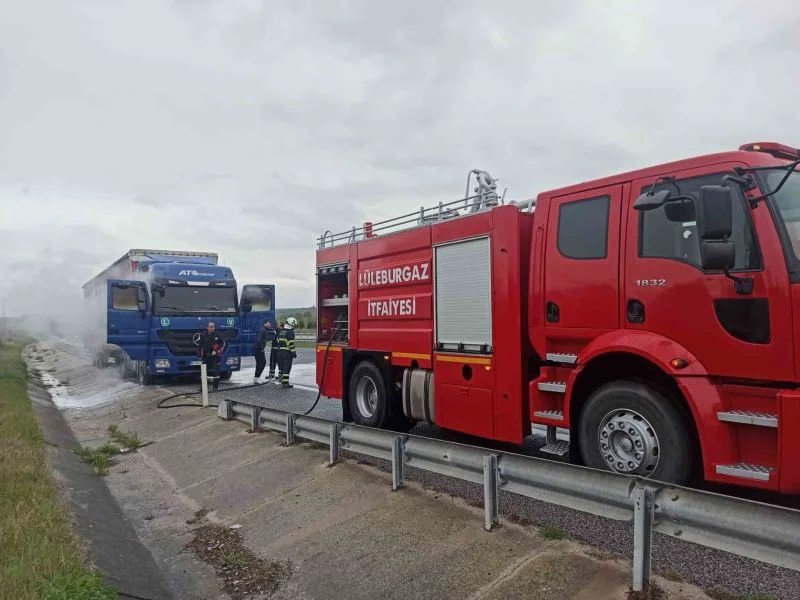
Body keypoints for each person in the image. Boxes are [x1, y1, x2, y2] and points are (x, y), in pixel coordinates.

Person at [197, 322, 224, 391]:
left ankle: (215, 388)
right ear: (208, 327)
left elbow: (222, 344)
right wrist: (199, 355)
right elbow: (200, 345)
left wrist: (216, 350)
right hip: (206, 356)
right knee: (203, 372)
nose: (213, 328)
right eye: (211, 327)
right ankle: (202, 387)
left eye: (213, 327)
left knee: (215, 372)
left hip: (215, 357)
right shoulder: (203, 335)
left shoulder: (218, 335)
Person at [276, 317, 297, 388]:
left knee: (282, 367)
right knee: (287, 368)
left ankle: (283, 381)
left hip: (280, 352)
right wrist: (293, 352)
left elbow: (279, 341)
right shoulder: (290, 332)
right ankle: (285, 383)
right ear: (292, 324)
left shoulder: (282, 331)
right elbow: (291, 343)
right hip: (287, 352)